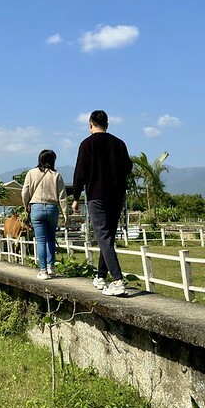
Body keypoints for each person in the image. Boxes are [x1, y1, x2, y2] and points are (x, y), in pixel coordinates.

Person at [72, 110, 133, 296]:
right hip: (116, 196)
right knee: (108, 238)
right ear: (107, 124)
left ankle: (117, 280)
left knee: (103, 238)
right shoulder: (119, 143)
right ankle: (100, 276)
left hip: (96, 196)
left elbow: (80, 173)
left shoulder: (86, 144)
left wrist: (76, 198)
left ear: (90, 124)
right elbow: (128, 167)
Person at [21, 150, 69, 279]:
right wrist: (65, 214)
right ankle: (51, 267)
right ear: (53, 160)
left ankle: (43, 270)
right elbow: (62, 196)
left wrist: (26, 205)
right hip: (52, 208)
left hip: (36, 207)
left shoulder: (31, 173)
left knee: (41, 240)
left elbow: (25, 192)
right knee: (51, 239)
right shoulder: (56, 175)